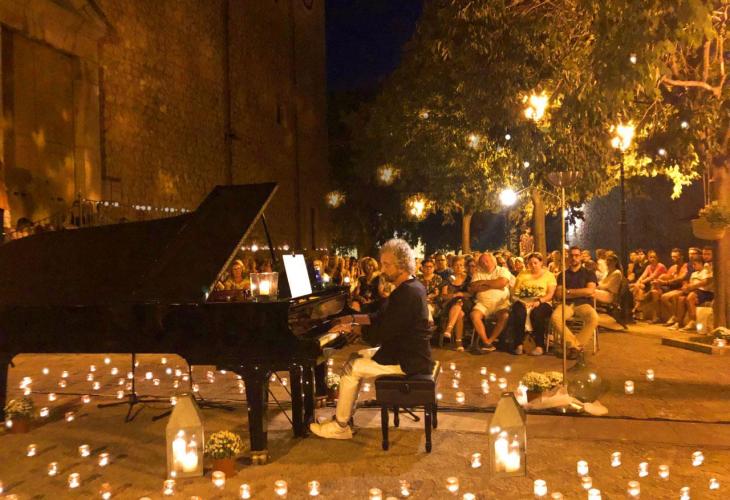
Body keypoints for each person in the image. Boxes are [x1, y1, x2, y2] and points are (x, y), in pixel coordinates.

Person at [309, 239, 433, 440]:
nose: (382, 270)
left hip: (408, 361)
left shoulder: (407, 293)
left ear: (402, 265)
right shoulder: (410, 286)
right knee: (355, 357)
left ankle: (340, 426)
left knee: (352, 368)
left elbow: (382, 333)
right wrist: (351, 318)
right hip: (406, 352)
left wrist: (354, 329)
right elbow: (381, 316)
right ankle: (345, 416)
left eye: (387, 265)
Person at [550, 246, 598, 359]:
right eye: (571, 255)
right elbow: (559, 294)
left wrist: (568, 291)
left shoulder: (589, 273)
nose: (574, 258)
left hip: (583, 304)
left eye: (576, 255)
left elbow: (590, 290)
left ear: (581, 257)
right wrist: (581, 292)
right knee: (555, 318)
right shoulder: (563, 275)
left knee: (594, 318)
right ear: (568, 257)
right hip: (566, 304)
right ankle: (575, 346)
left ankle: (574, 347)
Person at [508, 252, 556, 356]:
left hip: (542, 301)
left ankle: (539, 346)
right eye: (530, 263)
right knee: (519, 313)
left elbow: (550, 294)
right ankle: (518, 345)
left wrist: (539, 301)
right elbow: (515, 292)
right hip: (523, 300)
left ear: (541, 263)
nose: (533, 265)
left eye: (535, 263)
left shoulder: (549, 275)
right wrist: (522, 301)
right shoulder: (523, 274)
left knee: (537, 314)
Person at [468, 253, 514, 352]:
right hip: (483, 304)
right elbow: (473, 287)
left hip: (500, 304)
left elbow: (502, 283)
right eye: (482, 262)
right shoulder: (477, 273)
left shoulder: (502, 271)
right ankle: (486, 342)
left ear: (493, 261)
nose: (484, 263)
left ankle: (490, 340)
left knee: (505, 316)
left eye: (486, 261)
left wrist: (483, 282)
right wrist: (494, 283)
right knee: (474, 315)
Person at [440, 256, 473, 351]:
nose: (458, 267)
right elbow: (444, 295)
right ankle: (459, 342)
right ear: (452, 266)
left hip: (466, 303)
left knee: (459, 302)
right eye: (456, 265)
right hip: (450, 304)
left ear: (464, 267)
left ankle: (448, 330)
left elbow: (471, 294)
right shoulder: (449, 279)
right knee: (459, 313)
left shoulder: (468, 278)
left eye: (461, 265)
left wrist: (461, 294)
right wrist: (453, 296)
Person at [417, 258, 444, 322]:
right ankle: (430, 323)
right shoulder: (418, 278)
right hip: (420, 303)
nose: (428, 268)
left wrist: (427, 298)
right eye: (426, 266)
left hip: (434, 303)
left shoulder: (438, 278)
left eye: (430, 266)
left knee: (426, 307)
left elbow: (436, 293)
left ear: (434, 267)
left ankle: (430, 323)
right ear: (422, 268)